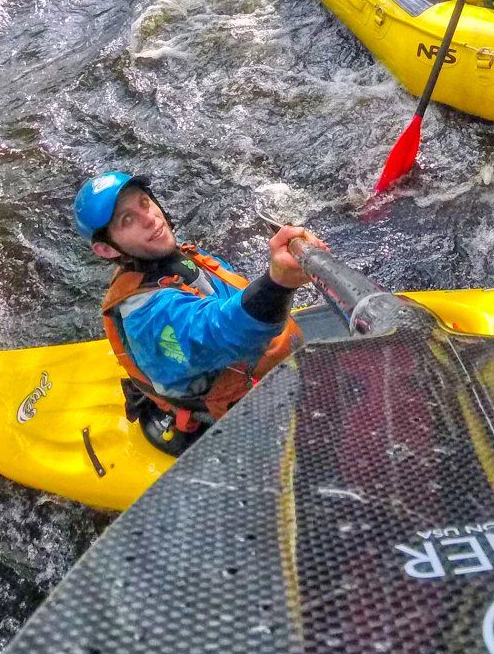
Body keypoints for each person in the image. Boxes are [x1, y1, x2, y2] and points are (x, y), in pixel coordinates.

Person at [75, 171, 321, 454]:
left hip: (252, 367)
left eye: (144, 203)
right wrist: (278, 283)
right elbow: (217, 332)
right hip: (226, 417)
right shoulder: (147, 316)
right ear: (107, 249)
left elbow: (222, 303)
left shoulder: (170, 255)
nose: (149, 218)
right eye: (126, 220)